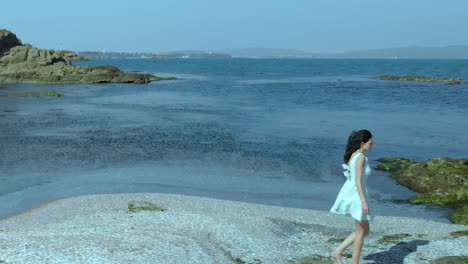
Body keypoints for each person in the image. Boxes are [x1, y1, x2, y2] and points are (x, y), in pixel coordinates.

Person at [329, 129, 374, 264]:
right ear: (362, 143)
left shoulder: (353, 155)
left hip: (353, 193)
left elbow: (352, 176)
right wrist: (363, 201)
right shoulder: (361, 157)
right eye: (370, 143)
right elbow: (358, 181)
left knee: (364, 230)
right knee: (361, 232)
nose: (372, 146)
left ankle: (338, 252)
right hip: (357, 196)